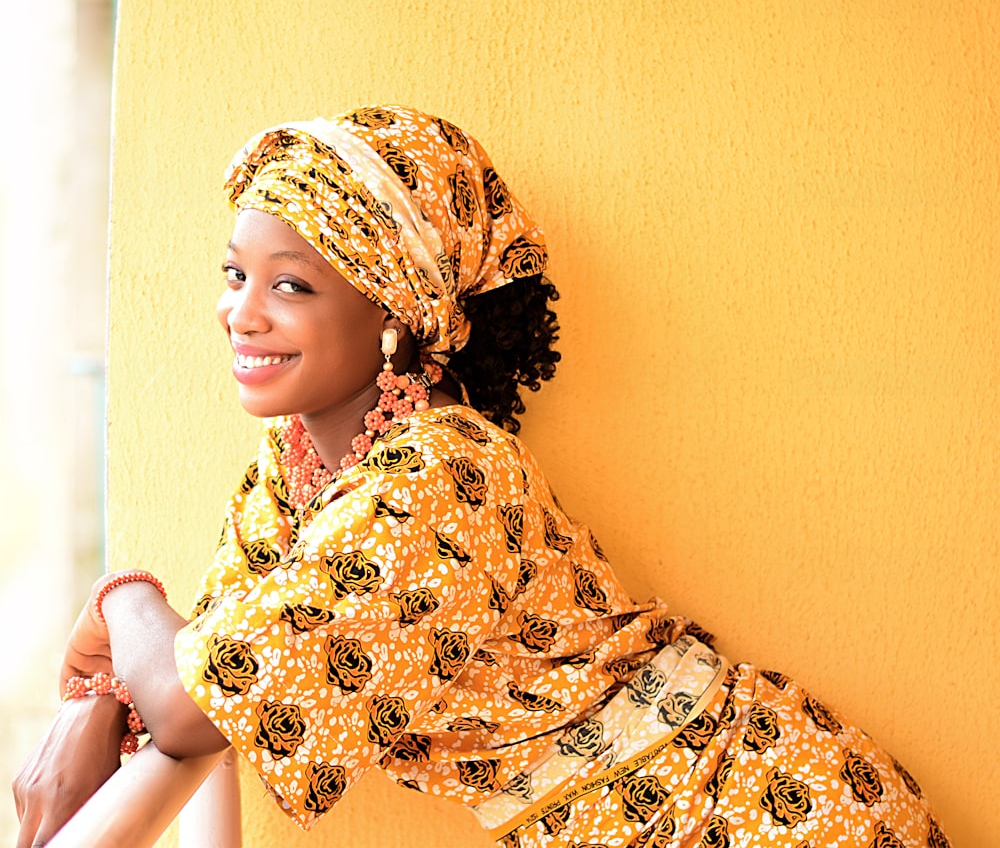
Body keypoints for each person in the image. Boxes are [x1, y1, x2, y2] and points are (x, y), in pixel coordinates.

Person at [14, 106, 949, 847]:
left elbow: (192, 700)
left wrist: (119, 597)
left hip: (747, 813)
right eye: (234, 273)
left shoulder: (437, 478)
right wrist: (95, 702)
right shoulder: (299, 465)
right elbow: (208, 662)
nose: (239, 313)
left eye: (289, 284)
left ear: (394, 313)